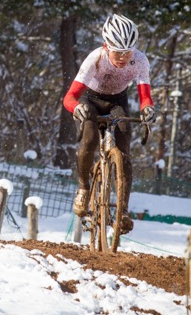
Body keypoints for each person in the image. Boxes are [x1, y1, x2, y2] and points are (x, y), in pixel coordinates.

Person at [63, 14, 155, 233]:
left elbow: (145, 96)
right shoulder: (95, 58)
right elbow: (69, 97)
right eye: (117, 52)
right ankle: (84, 188)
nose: (123, 58)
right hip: (91, 100)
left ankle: (122, 212)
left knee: (124, 152)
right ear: (106, 46)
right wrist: (77, 108)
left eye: (127, 52)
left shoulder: (140, 60)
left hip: (117, 102)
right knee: (90, 137)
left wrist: (147, 110)